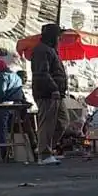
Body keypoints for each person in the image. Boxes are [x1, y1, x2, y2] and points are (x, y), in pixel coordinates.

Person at [31, 23, 68, 165]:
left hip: (57, 93)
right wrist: (53, 88)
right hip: (47, 93)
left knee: (62, 121)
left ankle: (44, 148)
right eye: (59, 36)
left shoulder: (50, 50)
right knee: (47, 123)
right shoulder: (42, 50)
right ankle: (44, 154)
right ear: (53, 37)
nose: (60, 39)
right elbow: (42, 73)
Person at [0, 59, 26, 157]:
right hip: (16, 106)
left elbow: (0, 94)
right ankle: (15, 152)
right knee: (11, 129)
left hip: (4, 105)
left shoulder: (2, 77)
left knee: (1, 129)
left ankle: (3, 152)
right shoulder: (17, 77)